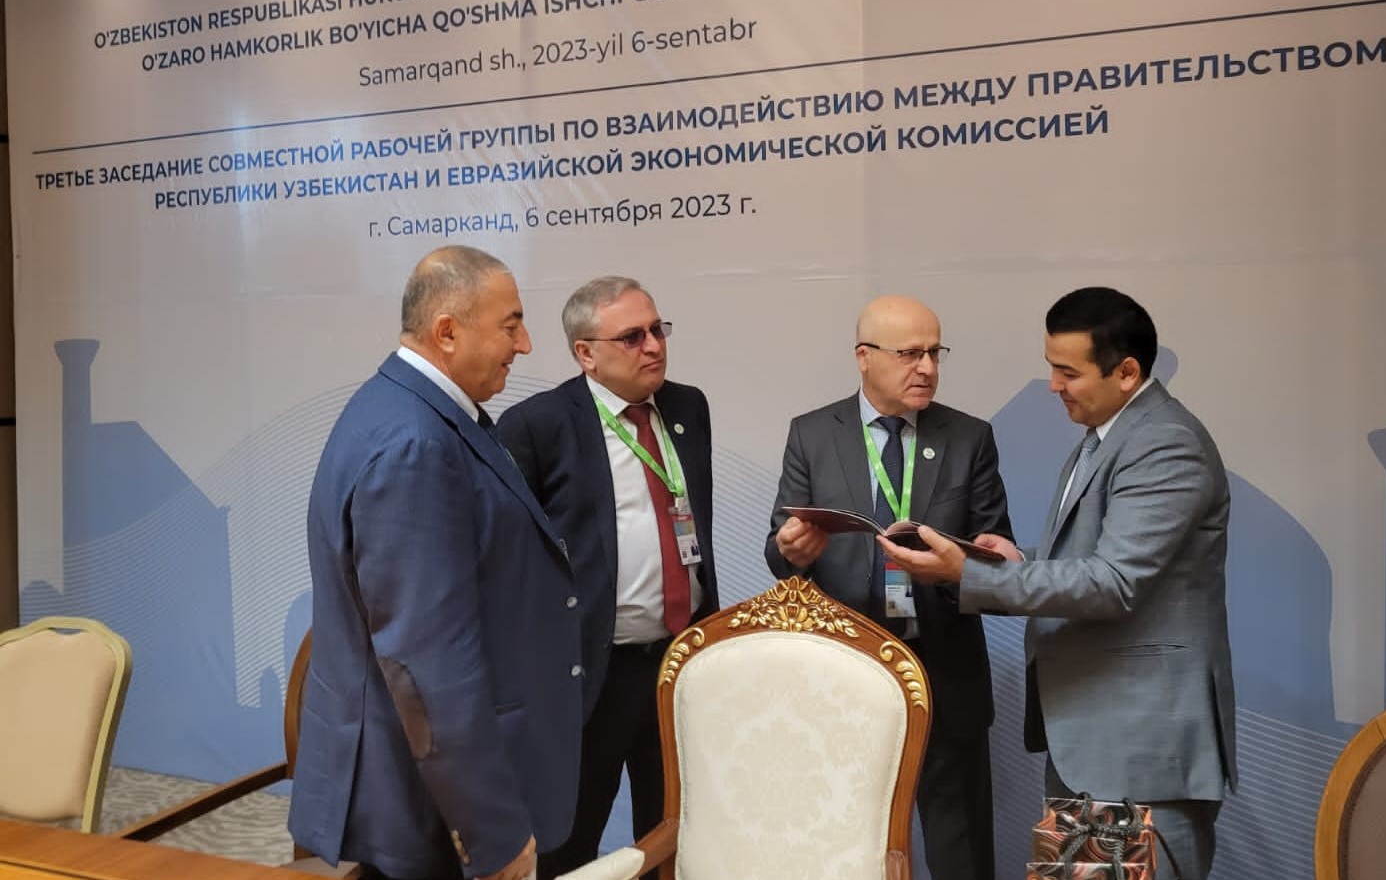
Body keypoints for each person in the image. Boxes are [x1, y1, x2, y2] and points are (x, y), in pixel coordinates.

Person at [882, 286, 1236, 880]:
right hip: (1093, 744)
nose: (1053, 386)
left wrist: (966, 574)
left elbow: (1115, 581)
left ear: (1127, 372)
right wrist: (1013, 561)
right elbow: (1099, 558)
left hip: (1137, 752)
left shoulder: (1165, 443)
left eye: (1068, 372)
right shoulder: (1107, 436)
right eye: (1052, 367)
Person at [289, 246, 584, 880]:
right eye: (510, 324)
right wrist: (493, 832)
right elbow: (426, 662)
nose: (526, 344)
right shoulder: (415, 444)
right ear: (447, 331)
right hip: (426, 801)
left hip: (426, 783)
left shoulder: (411, 410)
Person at [766, 295, 1012, 880]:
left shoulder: (969, 437)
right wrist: (790, 551)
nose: (926, 368)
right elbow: (779, 553)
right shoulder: (811, 433)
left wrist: (966, 566)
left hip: (944, 671)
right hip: (844, 677)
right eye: (909, 354)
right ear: (864, 357)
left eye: (934, 353)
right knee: (845, 845)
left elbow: (995, 556)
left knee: (959, 849)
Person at [498, 276, 718, 879]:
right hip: (591, 673)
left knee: (674, 837)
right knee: (570, 844)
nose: (654, 346)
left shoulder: (688, 407)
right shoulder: (537, 426)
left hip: (680, 662)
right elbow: (508, 562)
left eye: (657, 330)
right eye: (632, 337)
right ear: (586, 353)